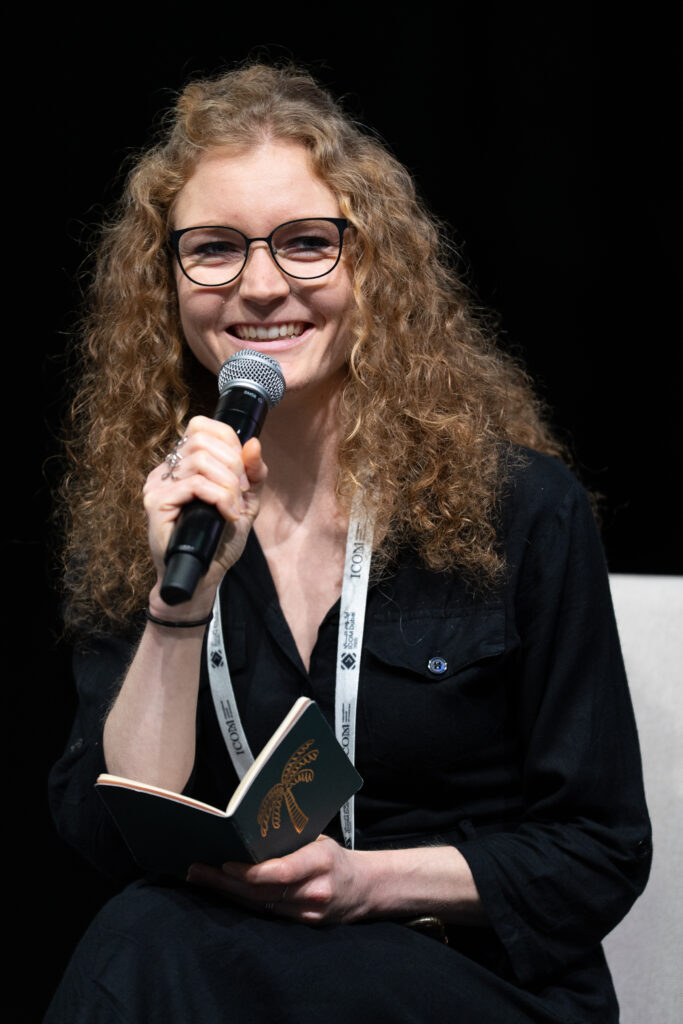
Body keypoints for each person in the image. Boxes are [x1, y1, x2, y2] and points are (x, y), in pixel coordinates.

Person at [47, 63, 651, 1022]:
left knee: (150, 949)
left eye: (305, 243)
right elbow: (111, 829)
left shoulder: (523, 507)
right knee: (143, 929)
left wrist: (367, 883)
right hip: (231, 959)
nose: (258, 285)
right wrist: (177, 609)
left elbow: (596, 848)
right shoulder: (159, 514)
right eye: (212, 249)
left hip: (466, 975)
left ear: (371, 264)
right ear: (166, 280)